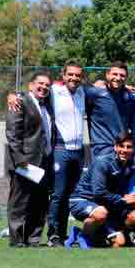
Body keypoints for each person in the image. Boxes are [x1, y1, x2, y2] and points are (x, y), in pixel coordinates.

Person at [5, 71, 55, 247]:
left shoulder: (47, 104)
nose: (44, 88)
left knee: (39, 202)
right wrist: (20, 160)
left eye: (47, 85)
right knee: (19, 202)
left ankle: (33, 239)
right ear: (31, 85)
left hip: (45, 161)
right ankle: (17, 240)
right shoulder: (20, 102)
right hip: (25, 162)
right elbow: (12, 133)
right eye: (40, 84)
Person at [65, 132, 135, 249]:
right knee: (101, 214)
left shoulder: (131, 167)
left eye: (129, 147)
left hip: (105, 205)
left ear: (134, 149)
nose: (125, 150)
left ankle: (85, 232)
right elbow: (98, 192)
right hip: (82, 200)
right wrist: (123, 200)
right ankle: (83, 235)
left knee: (121, 240)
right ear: (115, 147)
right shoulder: (103, 162)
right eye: (121, 146)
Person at [45, 61, 86, 246]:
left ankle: (62, 234)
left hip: (78, 151)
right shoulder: (53, 91)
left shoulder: (83, 93)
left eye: (77, 75)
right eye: (70, 74)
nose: (74, 78)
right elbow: (34, 91)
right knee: (58, 194)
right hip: (60, 148)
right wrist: (14, 95)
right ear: (63, 75)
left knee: (70, 194)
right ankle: (53, 235)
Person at [84, 62, 135, 158]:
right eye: (115, 74)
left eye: (122, 75)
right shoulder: (94, 93)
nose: (118, 77)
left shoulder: (129, 96)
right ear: (107, 75)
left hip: (122, 149)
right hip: (101, 149)